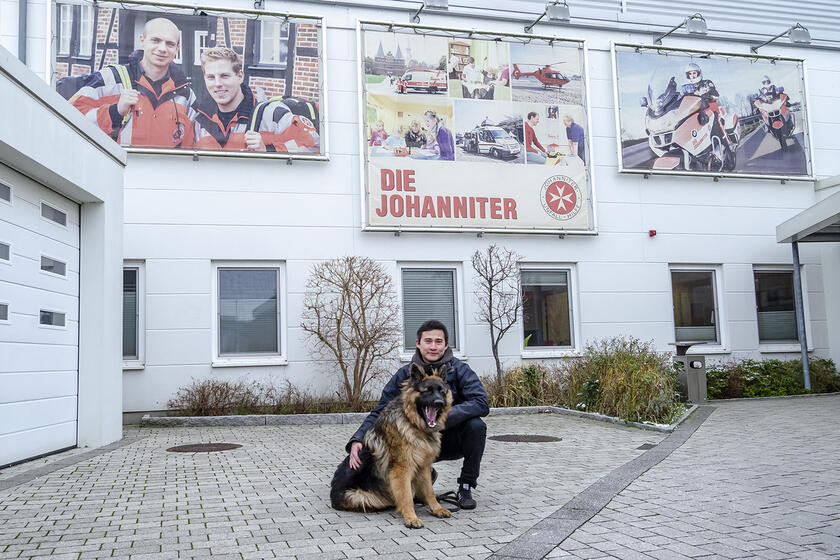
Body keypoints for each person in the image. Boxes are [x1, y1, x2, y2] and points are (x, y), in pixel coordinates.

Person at [346, 320, 489, 510]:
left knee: (476, 426)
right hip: (414, 444)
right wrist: (358, 439)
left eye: (438, 342)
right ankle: (415, 482)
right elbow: (381, 409)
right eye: (428, 341)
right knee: (367, 457)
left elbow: (481, 403)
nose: (433, 346)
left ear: (446, 345)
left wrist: (440, 418)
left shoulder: (460, 370)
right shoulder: (405, 374)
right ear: (418, 344)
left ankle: (465, 486)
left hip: (449, 439)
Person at [69, 17, 195, 148]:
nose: (162, 48)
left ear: (177, 48)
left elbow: (193, 147)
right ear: (142, 40)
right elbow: (70, 117)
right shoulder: (109, 79)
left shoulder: (185, 94)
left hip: (167, 167)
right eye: (155, 40)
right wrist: (114, 111)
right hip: (121, 167)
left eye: (170, 44)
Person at [192, 47, 320, 153]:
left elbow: (314, 144)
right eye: (211, 77)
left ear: (240, 76)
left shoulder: (272, 115)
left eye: (225, 76)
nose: (218, 83)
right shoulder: (199, 122)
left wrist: (268, 150)